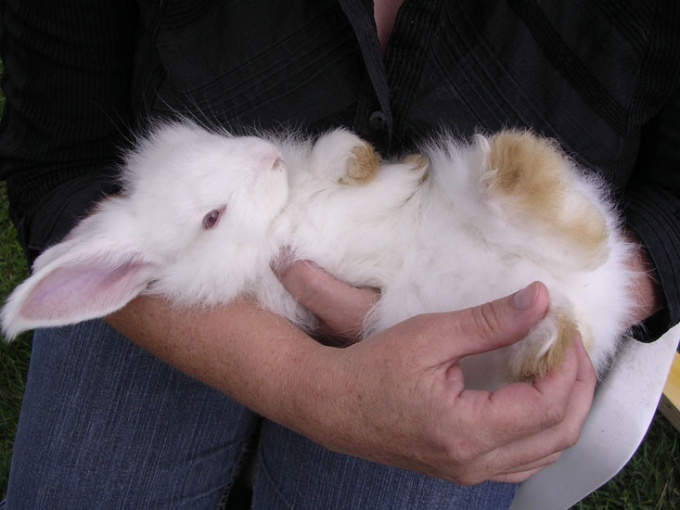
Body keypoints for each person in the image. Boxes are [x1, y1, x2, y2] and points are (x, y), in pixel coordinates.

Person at [0, 0, 678, 508]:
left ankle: (549, 285)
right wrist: (308, 387)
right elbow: (61, 164)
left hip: (453, 273)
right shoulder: (177, 229)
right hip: (185, 300)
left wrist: (610, 285)